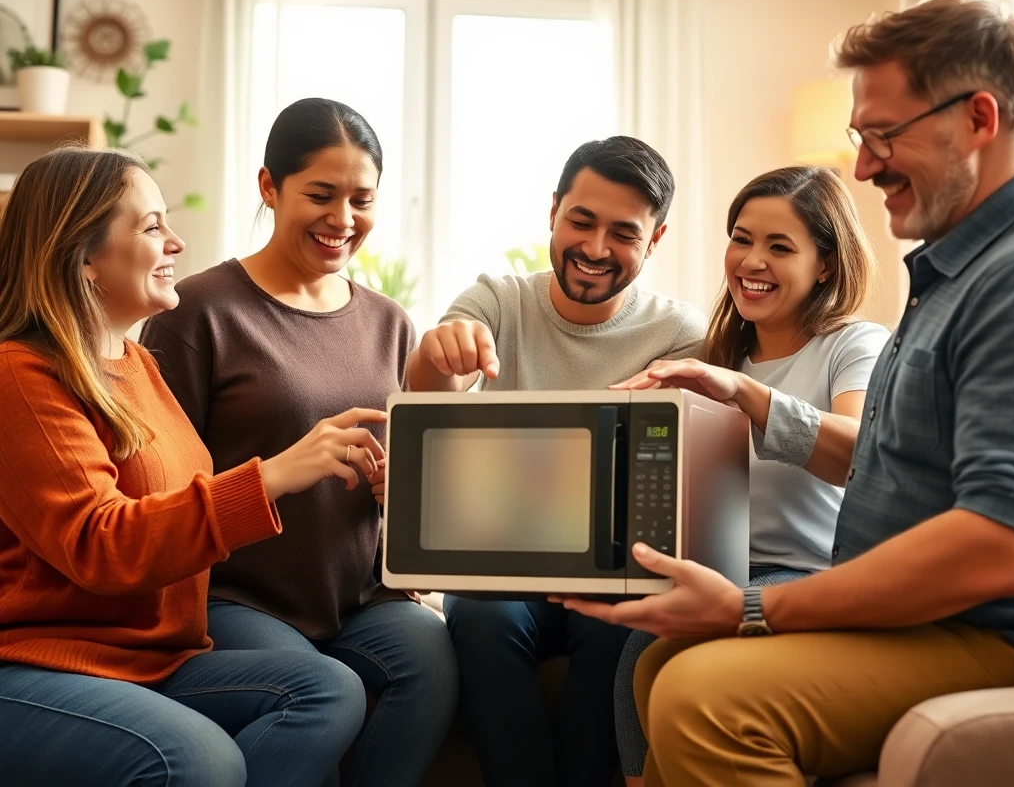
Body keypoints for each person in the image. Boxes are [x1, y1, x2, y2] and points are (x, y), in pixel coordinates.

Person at [560, 0, 1014, 787]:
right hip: (914, 622)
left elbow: (1004, 547)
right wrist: (741, 396)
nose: (866, 167)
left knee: (705, 698)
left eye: (883, 135)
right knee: (658, 663)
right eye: (859, 139)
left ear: (979, 118)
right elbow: (870, 461)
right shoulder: (960, 273)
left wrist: (750, 608)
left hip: (982, 635)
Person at [0, 146, 382, 786]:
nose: (176, 242)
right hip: (42, 663)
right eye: (152, 226)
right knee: (201, 759)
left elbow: (173, 508)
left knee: (328, 691)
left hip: (156, 659)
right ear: (84, 255)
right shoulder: (20, 376)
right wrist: (273, 475)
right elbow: (101, 544)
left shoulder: (134, 363)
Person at [140, 98, 457, 787]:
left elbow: (406, 478)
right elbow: (155, 483)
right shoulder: (199, 312)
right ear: (269, 187)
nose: (343, 218)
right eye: (321, 194)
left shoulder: (391, 323)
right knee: (320, 693)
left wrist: (400, 492)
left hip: (364, 597)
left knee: (432, 659)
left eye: (361, 200)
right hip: (238, 597)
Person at [406, 136, 707, 787]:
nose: (595, 248)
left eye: (623, 234)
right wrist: (438, 353)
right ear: (553, 212)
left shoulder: (681, 335)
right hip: (500, 561)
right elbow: (429, 399)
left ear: (655, 241)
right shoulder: (498, 300)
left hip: (613, 563)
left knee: (616, 627)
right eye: (581, 221)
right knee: (481, 619)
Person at [610, 164, 890, 785]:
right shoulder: (718, 356)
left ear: (825, 265)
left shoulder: (854, 345)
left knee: (661, 657)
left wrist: (742, 393)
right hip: (716, 566)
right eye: (742, 238)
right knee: (635, 658)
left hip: (806, 572)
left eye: (780, 247)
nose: (752, 260)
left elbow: (857, 451)